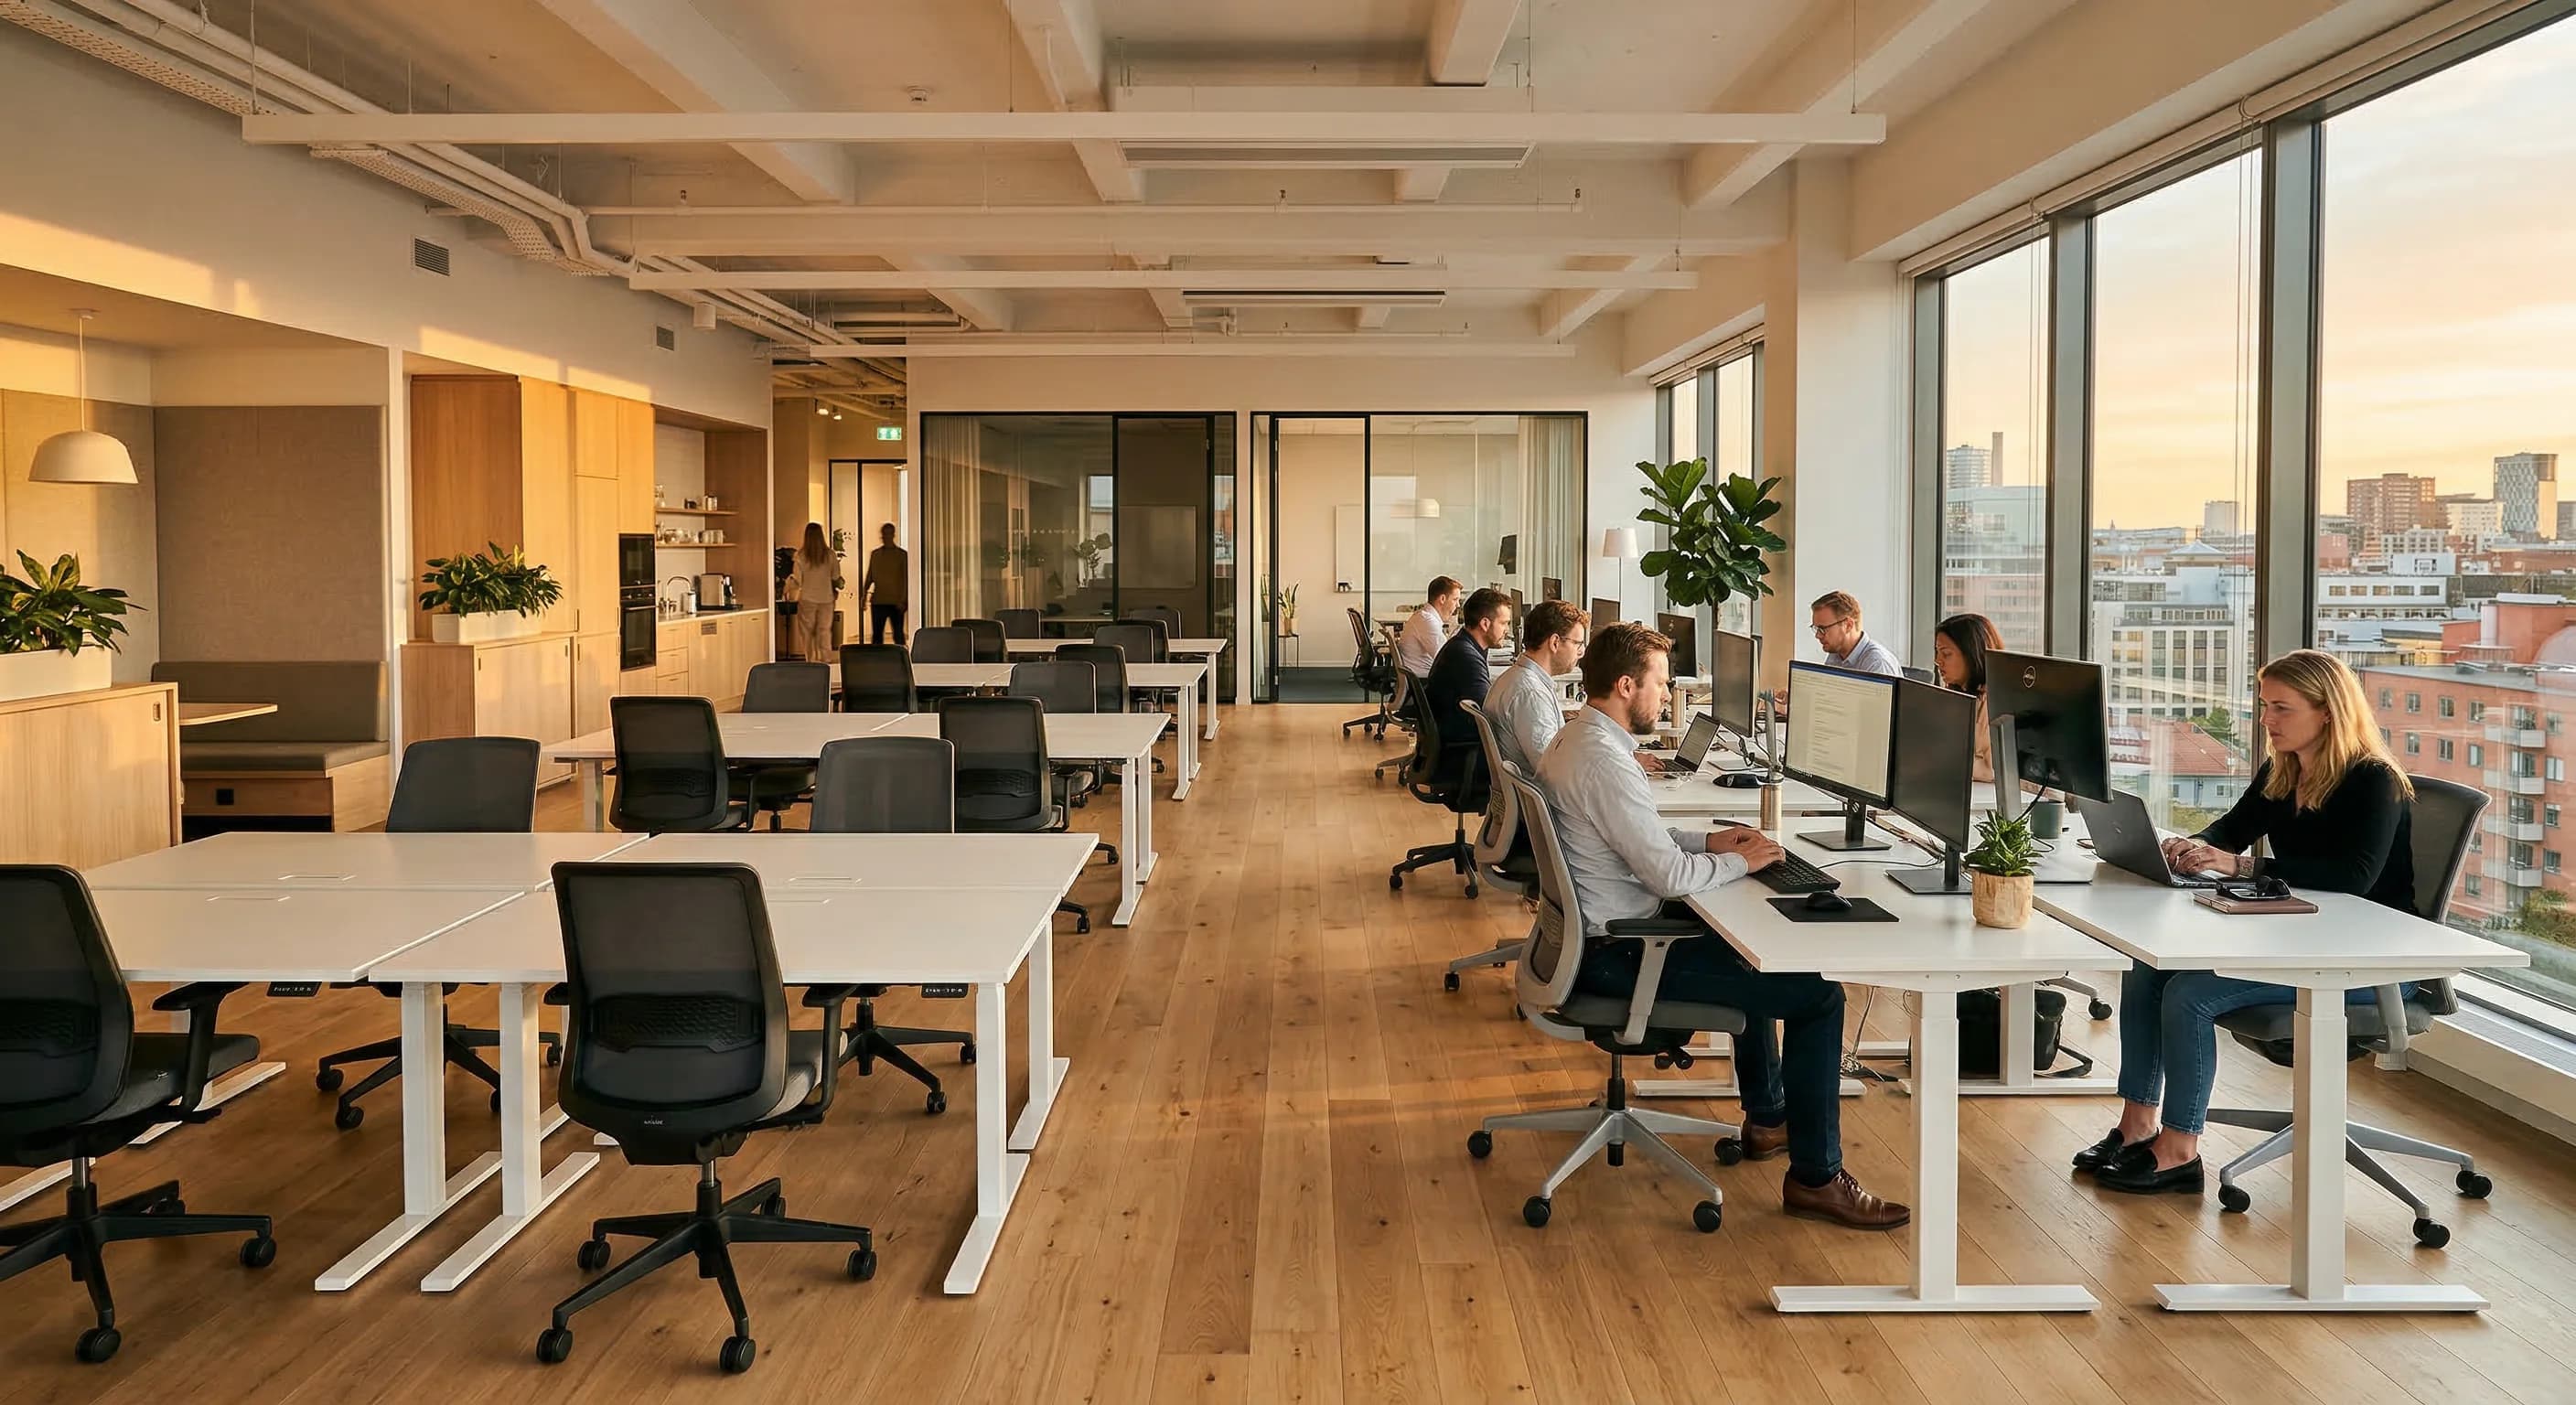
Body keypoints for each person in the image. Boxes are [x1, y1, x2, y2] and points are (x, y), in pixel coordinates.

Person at [1536, 623, 1909, 1230]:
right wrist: (1740, 861)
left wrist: (1713, 840)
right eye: (1660, 683)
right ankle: (1817, 1178)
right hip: (1621, 952)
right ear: (1627, 685)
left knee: (1758, 953)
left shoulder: (1578, 739)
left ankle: (1768, 1119)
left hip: (1601, 935)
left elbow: (1640, 841)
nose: (1667, 695)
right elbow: (1665, 874)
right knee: (1817, 997)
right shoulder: (1604, 761)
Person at [2077, 649, 2417, 1196]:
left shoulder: (2374, 780)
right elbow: (2234, 827)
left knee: (2189, 994)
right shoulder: (2285, 768)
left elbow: (2354, 877)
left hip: (2368, 962)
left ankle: (2179, 1150)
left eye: (2282, 708)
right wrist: (2197, 847)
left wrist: (2243, 865)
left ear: (2327, 711)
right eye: (2264, 706)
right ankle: (2137, 1123)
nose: (2267, 720)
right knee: (2148, 971)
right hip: (2299, 939)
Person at [1485, 599, 1586, 777]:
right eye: (1577, 643)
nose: (1581, 651)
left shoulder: (1519, 679)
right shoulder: (1531, 694)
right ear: (1555, 642)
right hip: (1546, 799)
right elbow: (1554, 770)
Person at [1425, 587, 1512, 785]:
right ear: (1485, 623)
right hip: (1461, 754)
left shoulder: (1463, 645)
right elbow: (1487, 712)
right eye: (1504, 623)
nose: (1507, 630)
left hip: (1451, 743)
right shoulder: (1466, 657)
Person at [1930, 612, 2005, 782]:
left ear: (1972, 654)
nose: (1938, 661)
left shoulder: (1997, 700)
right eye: (1937, 652)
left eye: (1946, 654)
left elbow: (1991, 769)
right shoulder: (1958, 696)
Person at [1809, 590, 1902, 677]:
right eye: (1816, 628)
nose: (1818, 635)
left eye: (1822, 629)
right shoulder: (1835, 655)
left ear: (1848, 625)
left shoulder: (1877, 663)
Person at [786, 522, 841, 663]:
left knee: (807, 633)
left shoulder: (800, 556)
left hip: (807, 599)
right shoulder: (830, 555)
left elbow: (798, 579)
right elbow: (835, 576)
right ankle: (825, 660)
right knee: (824, 631)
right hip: (826, 599)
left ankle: (810, 660)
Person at [1396, 575, 1462, 681]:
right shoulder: (1427, 621)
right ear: (1442, 599)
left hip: (1422, 678)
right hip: (1425, 681)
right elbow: (1446, 658)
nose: (1458, 605)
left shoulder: (1424, 616)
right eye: (1455, 600)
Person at [863, 522, 908, 644]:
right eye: (884, 534)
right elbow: (870, 576)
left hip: (896, 601)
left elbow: (905, 578)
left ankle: (901, 659)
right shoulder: (876, 555)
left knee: (898, 634)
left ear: (893, 535)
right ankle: (876, 659)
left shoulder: (902, 555)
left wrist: (904, 600)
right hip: (879, 600)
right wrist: (864, 596)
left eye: (888, 534)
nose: (886, 537)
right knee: (877, 635)